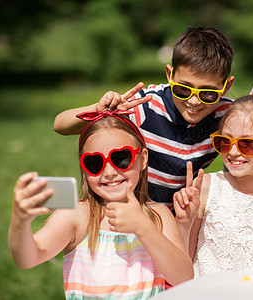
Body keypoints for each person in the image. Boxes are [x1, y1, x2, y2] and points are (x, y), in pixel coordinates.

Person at [8, 111, 194, 299]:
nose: (109, 172)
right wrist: (20, 221)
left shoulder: (158, 216)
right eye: (95, 163)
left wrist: (144, 228)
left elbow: (184, 278)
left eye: (121, 158)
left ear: (143, 158)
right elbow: (27, 259)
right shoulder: (78, 216)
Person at [53, 26, 235, 208]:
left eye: (208, 93)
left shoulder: (227, 115)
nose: (194, 101)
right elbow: (60, 125)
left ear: (226, 87)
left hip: (172, 217)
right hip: (125, 210)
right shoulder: (144, 104)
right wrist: (99, 110)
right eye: (183, 89)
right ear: (169, 75)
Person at [173, 95, 253, 277]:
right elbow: (183, 266)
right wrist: (184, 222)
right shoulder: (207, 186)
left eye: (247, 144)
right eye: (225, 142)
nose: (234, 152)